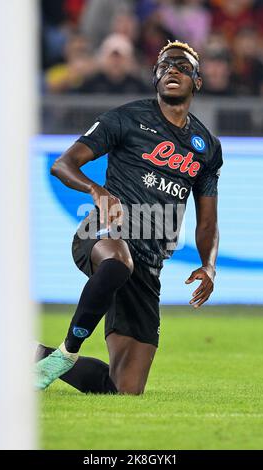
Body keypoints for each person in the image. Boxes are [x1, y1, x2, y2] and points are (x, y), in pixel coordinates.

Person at [35, 40, 223, 395]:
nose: (173, 70)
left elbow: (208, 221)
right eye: (165, 65)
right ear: (155, 76)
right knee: (119, 259)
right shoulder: (126, 118)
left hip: (149, 264)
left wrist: (208, 265)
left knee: (124, 390)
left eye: (183, 67)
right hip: (104, 233)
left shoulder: (207, 146)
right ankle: (66, 352)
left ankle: (32, 355)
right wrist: (97, 191)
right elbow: (63, 164)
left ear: (197, 81)